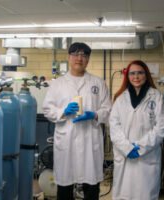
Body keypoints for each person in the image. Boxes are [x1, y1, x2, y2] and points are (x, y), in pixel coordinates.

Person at [42, 42, 111, 200]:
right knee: (64, 186)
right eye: (75, 54)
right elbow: (47, 109)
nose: (79, 58)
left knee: (92, 185)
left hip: (90, 139)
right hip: (67, 141)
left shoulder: (98, 83)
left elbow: (108, 110)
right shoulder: (57, 84)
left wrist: (94, 114)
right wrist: (63, 112)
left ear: (88, 59)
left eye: (84, 55)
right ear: (69, 57)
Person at [109, 60, 164, 200]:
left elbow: (161, 127)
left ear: (146, 75)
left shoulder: (156, 96)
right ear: (127, 76)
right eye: (132, 73)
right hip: (124, 155)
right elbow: (114, 125)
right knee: (124, 194)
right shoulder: (120, 98)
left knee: (145, 194)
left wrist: (141, 147)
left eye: (140, 73)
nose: (136, 76)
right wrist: (127, 147)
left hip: (147, 156)